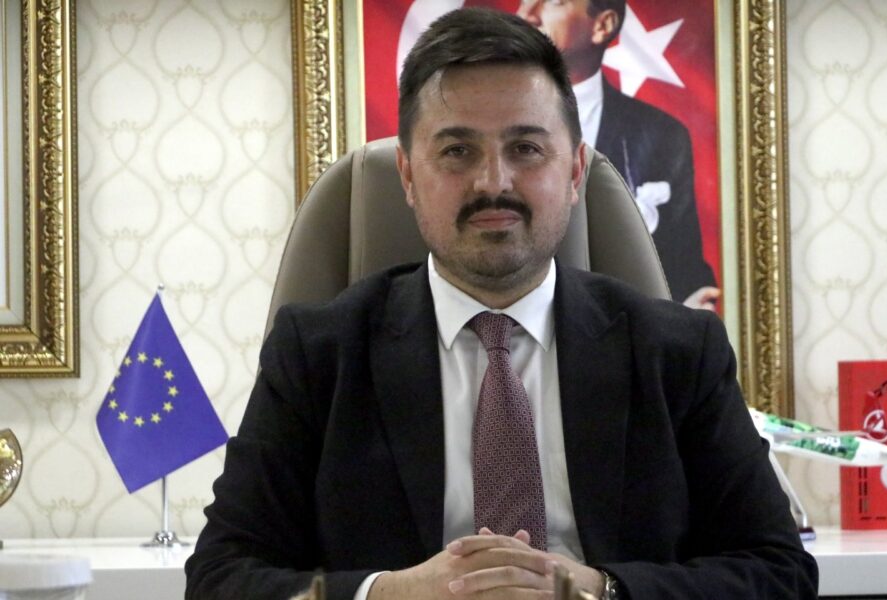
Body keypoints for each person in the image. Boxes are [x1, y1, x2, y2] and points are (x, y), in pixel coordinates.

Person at [185, 8, 817, 600]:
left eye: (526, 149)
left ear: (575, 174)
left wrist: (598, 589)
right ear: (407, 177)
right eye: (457, 151)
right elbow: (219, 577)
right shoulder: (318, 355)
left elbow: (779, 571)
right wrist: (391, 593)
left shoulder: (678, 352)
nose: (494, 182)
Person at [517, 0, 721, 310]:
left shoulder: (662, 136)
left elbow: (683, 264)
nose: (526, 14)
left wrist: (687, 312)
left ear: (602, 25)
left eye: (553, 1)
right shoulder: (481, 125)